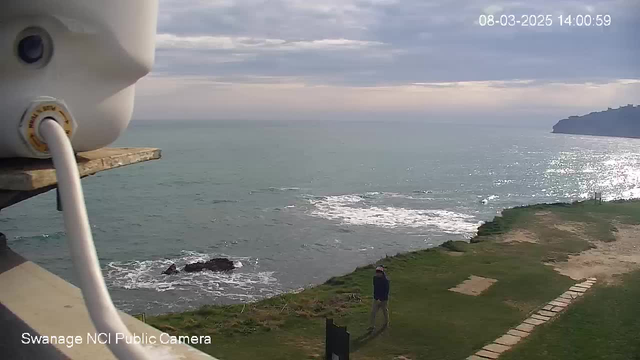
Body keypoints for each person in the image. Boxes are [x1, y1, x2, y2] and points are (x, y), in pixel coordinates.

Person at [368, 265, 389, 331]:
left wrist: (381, 299)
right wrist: (376, 298)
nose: (377, 273)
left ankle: (386, 322)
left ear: (382, 273)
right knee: (373, 312)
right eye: (376, 272)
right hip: (376, 299)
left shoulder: (386, 281)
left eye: (379, 272)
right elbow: (375, 289)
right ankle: (372, 326)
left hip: (383, 299)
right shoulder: (375, 278)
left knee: (384, 311)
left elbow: (386, 291)